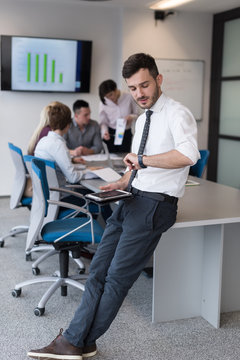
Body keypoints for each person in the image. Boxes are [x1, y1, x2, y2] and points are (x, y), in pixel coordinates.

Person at [27, 53, 200, 360]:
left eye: (144, 85)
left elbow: (189, 155)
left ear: (159, 80)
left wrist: (143, 162)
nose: (139, 94)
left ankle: (74, 340)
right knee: (98, 271)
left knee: (116, 280)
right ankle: (79, 340)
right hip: (130, 197)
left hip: (155, 206)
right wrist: (123, 180)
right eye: (133, 88)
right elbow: (138, 161)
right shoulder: (144, 118)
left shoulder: (177, 113)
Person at [34, 102, 84, 187]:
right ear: (68, 124)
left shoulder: (43, 141)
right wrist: (88, 173)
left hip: (46, 194)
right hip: (60, 195)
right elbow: (73, 178)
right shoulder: (58, 145)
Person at [98, 79, 139, 153]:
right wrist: (104, 132)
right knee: (110, 157)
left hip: (125, 133)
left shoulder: (129, 97)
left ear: (116, 89)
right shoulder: (103, 102)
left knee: (124, 157)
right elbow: (103, 122)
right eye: (107, 97)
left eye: (111, 94)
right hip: (111, 133)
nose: (110, 98)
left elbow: (137, 114)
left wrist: (131, 117)